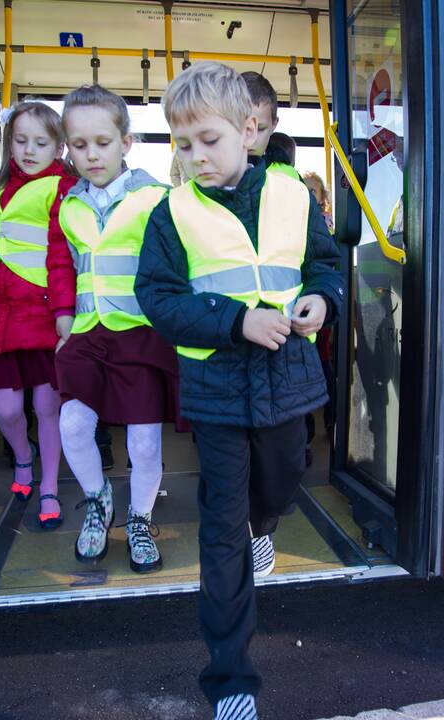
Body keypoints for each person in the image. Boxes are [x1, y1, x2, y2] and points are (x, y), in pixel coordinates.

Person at [135, 62, 343, 720]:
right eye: (183, 144)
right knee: (221, 534)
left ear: (250, 130)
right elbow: (158, 300)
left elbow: (325, 261)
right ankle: (230, 679)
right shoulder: (170, 214)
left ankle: (267, 522)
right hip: (218, 393)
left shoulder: (291, 193)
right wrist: (234, 322)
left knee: (283, 479)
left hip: (288, 386)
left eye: (209, 141)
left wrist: (322, 299)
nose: (195, 157)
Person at [56, 84, 179, 572]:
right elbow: (64, 266)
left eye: (102, 143)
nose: (90, 154)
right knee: (72, 424)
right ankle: (98, 497)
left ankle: (141, 518)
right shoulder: (69, 206)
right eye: (79, 145)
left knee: (144, 440)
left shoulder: (155, 198)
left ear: (125, 143)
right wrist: (63, 318)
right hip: (87, 334)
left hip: (140, 334)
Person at [0, 100, 77, 530]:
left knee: (46, 405)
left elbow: (59, 256)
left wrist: (64, 312)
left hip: (44, 313)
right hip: (2, 316)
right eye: (20, 141)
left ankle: (47, 484)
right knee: (6, 408)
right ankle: (22, 456)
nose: (29, 150)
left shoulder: (62, 189)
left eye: (40, 142)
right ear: (8, 143)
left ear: (58, 147)